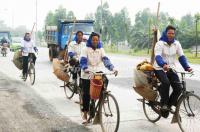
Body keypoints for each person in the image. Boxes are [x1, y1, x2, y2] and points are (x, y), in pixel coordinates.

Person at [154, 25, 192, 118]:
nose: (171, 35)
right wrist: (163, 64)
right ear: (165, 33)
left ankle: (168, 106)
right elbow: (158, 57)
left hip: (171, 68)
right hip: (159, 68)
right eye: (169, 33)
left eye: (173, 33)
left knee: (178, 87)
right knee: (166, 83)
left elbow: (182, 57)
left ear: (174, 34)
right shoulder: (160, 43)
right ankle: (163, 104)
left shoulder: (177, 44)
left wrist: (187, 67)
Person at [80, 32, 118, 123]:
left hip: (97, 72)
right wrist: (85, 68)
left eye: (97, 40)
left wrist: (113, 68)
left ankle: (100, 100)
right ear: (90, 40)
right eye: (93, 40)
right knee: (86, 94)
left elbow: (106, 60)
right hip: (87, 73)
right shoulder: (85, 49)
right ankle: (85, 113)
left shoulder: (101, 49)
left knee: (105, 81)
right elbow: (83, 61)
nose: (95, 41)